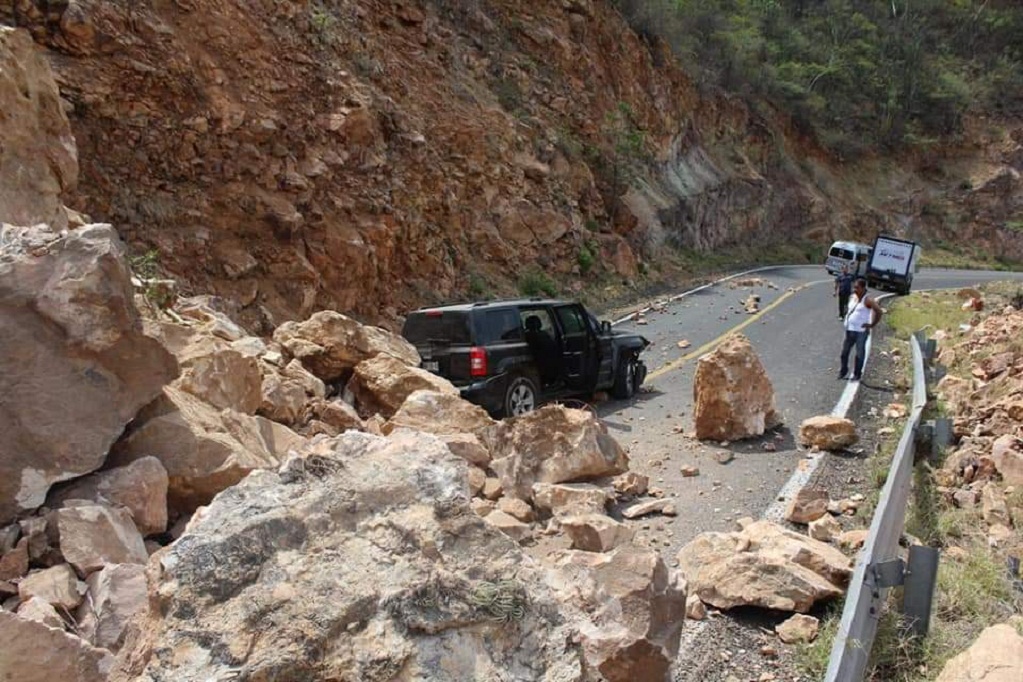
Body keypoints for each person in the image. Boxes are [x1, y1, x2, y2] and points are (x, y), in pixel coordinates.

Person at [839, 277, 883, 382]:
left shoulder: (867, 300)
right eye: (854, 287)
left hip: (861, 332)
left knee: (859, 354)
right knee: (844, 353)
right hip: (850, 330)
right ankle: (843, 370)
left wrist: (872, 324)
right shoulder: (853, 297)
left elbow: (879, 311)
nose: (855, 289)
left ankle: (857, 374)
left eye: (857, 287)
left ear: (863, 288)